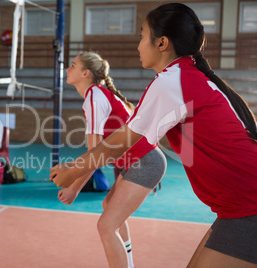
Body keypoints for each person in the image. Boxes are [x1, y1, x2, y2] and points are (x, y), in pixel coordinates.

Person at [50, 3, 257, 267]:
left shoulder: (172, 81)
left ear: (161, 43)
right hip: (238, 208)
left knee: (106, 224)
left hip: (249, 206)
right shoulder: (185, 76)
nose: (138, 46)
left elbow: (117, 143)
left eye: (141, 36)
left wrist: (72, 174)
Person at [58, 51, 167, 268]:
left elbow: (94, 156)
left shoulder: (94, 97)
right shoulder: (98, 95)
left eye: (72, 65)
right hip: (140, 162)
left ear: (85, 73)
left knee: (106, 226)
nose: (67, 69)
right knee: (108, 206)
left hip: (144, 162)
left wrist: (74, 188)